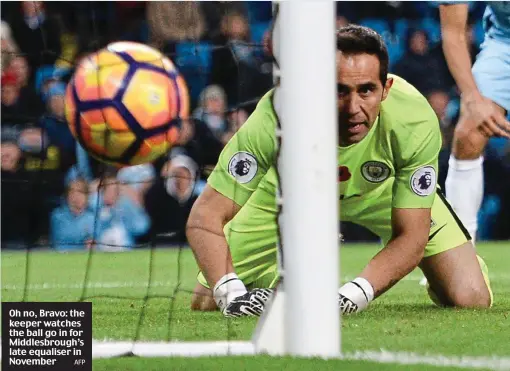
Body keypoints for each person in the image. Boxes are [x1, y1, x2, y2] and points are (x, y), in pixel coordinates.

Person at [186, 25, 493, 317]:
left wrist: (351, 297)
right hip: (288, 190)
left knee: (470, 296)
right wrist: (231, 294)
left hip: (384, 192)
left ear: (386, 88)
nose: (353, 107)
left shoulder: (413, 120)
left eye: (366, 90)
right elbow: (205, 216)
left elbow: (412, 236)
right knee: (207, 299)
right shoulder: (278, 115)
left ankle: (436, 276)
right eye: (340, 91)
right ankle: (279, 287)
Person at [439, 2, 510, 242]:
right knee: (469, 133)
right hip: (505, 42)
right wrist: (472, 98)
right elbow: (453, 33)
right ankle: (458, 252)